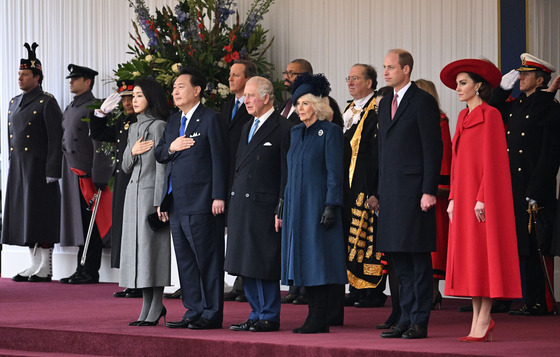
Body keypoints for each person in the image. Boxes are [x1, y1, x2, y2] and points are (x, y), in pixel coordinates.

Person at [440, 58, 522, 342]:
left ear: (479, 86)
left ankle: (485, 317)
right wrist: (452, 198)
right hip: (462, 198)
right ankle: (477, 318)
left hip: (482, 199)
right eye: (458, 84)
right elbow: (457, 161)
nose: (458, 88)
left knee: (484, 256)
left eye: (463, 83)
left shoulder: (492, 115)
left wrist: (482, 198)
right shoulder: (462, 118)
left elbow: (495, 162)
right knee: (471, 257)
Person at [372, 49, 442, 340]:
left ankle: (419, 321)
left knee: (417, 258)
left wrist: (428, 190)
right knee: (398, 259)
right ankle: (403, 317)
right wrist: (378, 192)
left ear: (407, 70)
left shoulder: (422, 101)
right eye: (385, 67)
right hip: (390, 193)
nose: (386, 72)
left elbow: (432, 148)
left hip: (414, 194)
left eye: (391, 67)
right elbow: (382, 152)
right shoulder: (385, 101)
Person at [155, 67, 227, 330]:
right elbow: (162, 154)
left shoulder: (211, 119)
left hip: (203, 201)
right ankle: (193, 309)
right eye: (173, 87)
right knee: (185, 259)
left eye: (180, 87)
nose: (174, 91)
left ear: (197, 91)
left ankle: (211, 312)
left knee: (207, 259)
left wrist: (219, 195)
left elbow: (220, 159)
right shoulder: (174, 120)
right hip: (176, 202)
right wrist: (172, 147)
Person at [489, 54, 560, 316]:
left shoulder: (550, 108)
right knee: (520, 245)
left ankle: (541, 301)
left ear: (539, 80)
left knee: (536, 246)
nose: (520, 78)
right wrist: (502, 90)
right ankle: (527, 300)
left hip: (534, 189)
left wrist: (536, 191)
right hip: (514, 187)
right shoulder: (517, 105)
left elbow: (549, 156)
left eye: (525, 75)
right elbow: (492, 110)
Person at [277, 73, 348, 334]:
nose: (299, 109)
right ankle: (314, 315)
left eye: (304, 104)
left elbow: (334, 173)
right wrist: (283, 202)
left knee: (318, 261)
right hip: (297, 205)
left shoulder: (330, 132)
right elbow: (289, 171)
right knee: (303, 260)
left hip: (318, 206)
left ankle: (319, 317)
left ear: (317, 105)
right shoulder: (295, 132)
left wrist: (332, 205)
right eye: (297, 104)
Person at [226, 76, 291, 332]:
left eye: (252, 95)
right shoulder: (246, 127)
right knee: (246, 263)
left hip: (265, 206)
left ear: (266, 97)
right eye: (246, 96)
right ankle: (255, 312)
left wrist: (282, 207)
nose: (247, 100)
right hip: (243, 206)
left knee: (263, 263)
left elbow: (287, 173)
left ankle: (269, 315)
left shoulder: (283, 127)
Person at [3, 43, 62, 283]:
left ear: (37, 77)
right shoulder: (14, 101)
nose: (20, 78)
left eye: (25, 74)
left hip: (39, 168)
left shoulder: (47, 102)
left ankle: (45, 267)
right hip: (20, 167)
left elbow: (56, 139)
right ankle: (33, 263)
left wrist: (53, 170)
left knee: (41, 214)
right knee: (25, 215)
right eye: (19, 74)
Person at [120, 78, 170, 326]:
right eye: (133, 96)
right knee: (138, 252)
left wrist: (161, 200)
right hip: (133, 195)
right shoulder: (132, 128)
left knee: (153, 250)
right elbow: (124, 166)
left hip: (151, 196)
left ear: (151, 97)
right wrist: (133, 152)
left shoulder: (160, 126)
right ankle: (147, 307)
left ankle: (156, 304)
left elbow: (163, 165)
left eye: (139, 95)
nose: (133, 100)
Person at [59, 64, 113, 284]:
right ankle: (80, 268)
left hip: (88, 173)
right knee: (80, 221)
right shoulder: (71, 107)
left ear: (88, 81)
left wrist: (99, 174)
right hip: (73, 171)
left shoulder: (95, 106)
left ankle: (90, 270)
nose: (71, 81)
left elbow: (100, 144)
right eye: (71, 78)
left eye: (76, 78)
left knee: (92, 221)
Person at [89, 79, 142, 298]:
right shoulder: (125, 122)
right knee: (124, 230)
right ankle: (130, 281)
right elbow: (99, 135)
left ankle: (140, 282)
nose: (127, 103)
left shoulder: (145, 121)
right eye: (124, 99)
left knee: (136, 231)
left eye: (131, 98)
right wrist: (100, 114)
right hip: (122, 181)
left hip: (136, 181)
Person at [342, 64, 386, 309]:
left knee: (368, 239)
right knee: (351, 237)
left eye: (355, 78)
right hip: (348, 184)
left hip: (367, 183)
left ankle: (372, 290)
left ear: (370, 83)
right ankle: (355, 287)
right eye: (348, 78)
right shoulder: (349, 108)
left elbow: (377, 153)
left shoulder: (377, 108)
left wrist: (375, 190)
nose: (350, 82)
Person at [219, 59, 257, 303]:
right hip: (227, 174)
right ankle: (237, 280)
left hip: (246, 175)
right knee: (232, 227)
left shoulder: (254, 107)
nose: (230, 79)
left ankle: (245, 280)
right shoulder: (225, 106)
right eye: (230, 75)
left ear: (248, 78)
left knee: (246, 227)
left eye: (235, 75)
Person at [277, 58, 313, 305]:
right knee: (291, 233)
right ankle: (295, 284)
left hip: (306, 178)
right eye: (287, 72)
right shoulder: (285, 104)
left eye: (294, 73)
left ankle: (305, 286)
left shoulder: (317, 105)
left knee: (304, 233)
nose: (287, 77)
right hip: (287, 173)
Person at [414, 79, 453, 309]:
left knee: (433, 244)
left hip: (432, 192)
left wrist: (434, 187)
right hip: (415, 188)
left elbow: (443, 154)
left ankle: (432, 292)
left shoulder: (439, 120)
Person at [279, 59, 314, 126]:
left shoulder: (313, 104)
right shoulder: (284, 104)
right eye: (286, 73)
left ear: (305, 76)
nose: (286, 77)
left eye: (291, 73)